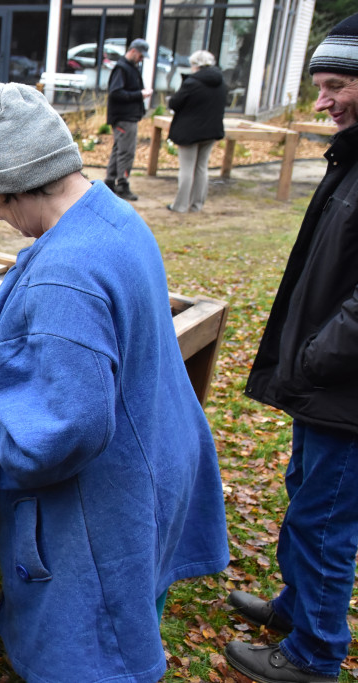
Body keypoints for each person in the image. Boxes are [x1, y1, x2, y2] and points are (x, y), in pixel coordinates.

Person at [0, 83, 229, 682]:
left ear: (13, 183)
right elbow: (77, 360)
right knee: (135, 606)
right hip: (156, 467)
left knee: (97, 654)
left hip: (104, 509)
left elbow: (62, 433)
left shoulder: (66, 274)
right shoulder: (112, 215)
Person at [223, 13, 358, 683]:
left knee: (325, 521)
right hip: (326, 383)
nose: (324, 100)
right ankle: (296, 607)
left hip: (345, 388)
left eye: (337, 84)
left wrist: (318, 354)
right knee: (307, 498)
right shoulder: (353, 152)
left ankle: (314, 654)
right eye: (321, 84)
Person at [166, 50, 227, 213]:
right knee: (201, 168)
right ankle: (197, 205)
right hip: (211, 131)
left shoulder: (192, 83)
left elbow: (175, 103)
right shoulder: (221, 82)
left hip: (189, 132)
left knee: (186, 169)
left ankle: (179, 206)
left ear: (195, 65)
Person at [104, 38, 153, 201]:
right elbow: (116, 93)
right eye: (140, 56)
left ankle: (110, 182)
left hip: (126, 116)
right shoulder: (122, 68)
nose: (141, 59)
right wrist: (140, 95)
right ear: (133, 51)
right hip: (124, 117)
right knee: (126, 151)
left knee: (119, 149)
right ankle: (122, 184)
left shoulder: (130, 68)